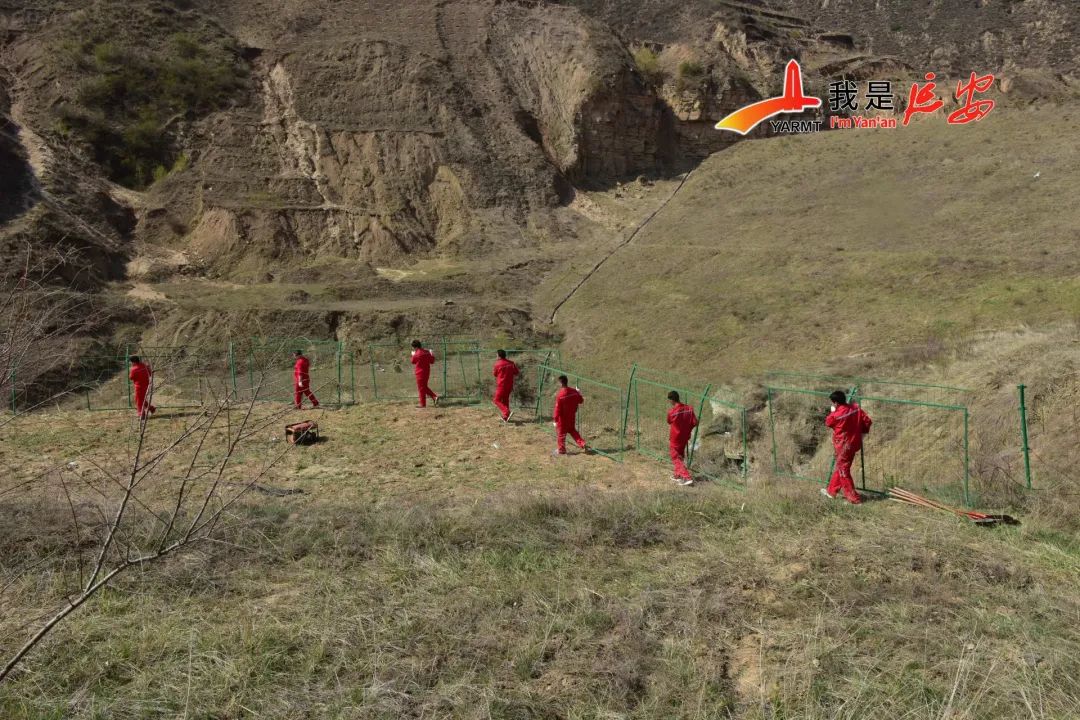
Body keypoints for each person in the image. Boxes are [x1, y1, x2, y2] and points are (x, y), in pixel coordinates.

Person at [822, 390, 872, 504]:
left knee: (843, 470)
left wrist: (832, 412)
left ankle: (854, 498)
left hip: (843, 445)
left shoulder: (837, 414)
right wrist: (861, 432)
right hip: (854, 443)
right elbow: (868, 421)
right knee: (842, 466)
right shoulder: (856, 409)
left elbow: (828, 422)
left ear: (835, 403)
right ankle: (831, 492)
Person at [667, 390, 699, 486]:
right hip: (685, 437)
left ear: (672, 400)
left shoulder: (672, 412)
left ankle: (686, 477)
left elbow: (669, 421)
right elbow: (695, 422)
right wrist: (687, 429)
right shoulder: (689, 409)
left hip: (675, 438)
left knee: (675, 457)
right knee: (680, 455)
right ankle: (678, 475)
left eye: (669, 400)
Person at [553, 375, 587, 454]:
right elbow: (581, 401)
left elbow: (557, 409)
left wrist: (555, 419)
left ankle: (561, 450)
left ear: (561, 384)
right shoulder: (574, 392)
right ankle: (582, 443)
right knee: (572, 431)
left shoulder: (560, 395)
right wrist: (578, 393)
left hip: (563, 419)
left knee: (561, 434)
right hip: (571, 416)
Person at [492, 349, 520, 422]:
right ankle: (506, 417)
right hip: (509, 385)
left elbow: (495, 374)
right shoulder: (511, 363)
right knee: (505, 400)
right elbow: (516, 372)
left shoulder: (497, 364)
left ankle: (506, 412)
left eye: (496, 355)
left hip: (501, 385)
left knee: (496, 400)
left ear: (498, 355)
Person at [410, 340, 439, 408]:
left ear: (415, 347)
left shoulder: (417, 354)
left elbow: (413, 361)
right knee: (424, 387)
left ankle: (432, 398)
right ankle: (431, 399)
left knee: (421, 388)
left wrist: (413, 355)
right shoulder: (426, 352)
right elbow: (432, 361)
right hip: (427, 372)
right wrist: (432, 354)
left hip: (419, 373)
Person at [128, 355, 156, 420]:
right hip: (146, 385)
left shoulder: (134, 369)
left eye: (131, 362)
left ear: (133, 362)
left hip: (139, 386)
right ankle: (152, 409)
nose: (131, 364)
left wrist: (132, 370)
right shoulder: (145, 366)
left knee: (139, 401)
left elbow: (131, 377)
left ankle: (141, 414)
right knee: (141, 399)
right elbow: (150, 373)